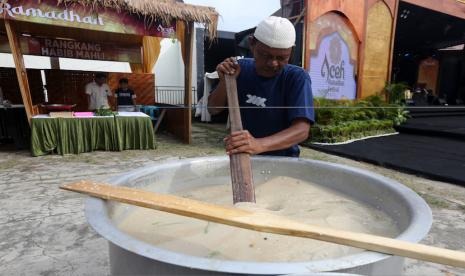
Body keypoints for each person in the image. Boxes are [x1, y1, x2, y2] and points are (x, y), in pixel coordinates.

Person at [208, 16, 314, 157]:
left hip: (284, 161)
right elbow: (213, 109)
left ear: (291, 52)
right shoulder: (240, 69)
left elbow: (301, 130)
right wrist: (224, 82)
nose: (272, 63)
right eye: (265, 55)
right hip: (245, 156)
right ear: (251, 44)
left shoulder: (297, 78)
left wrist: (258, 144)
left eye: (281, 58)